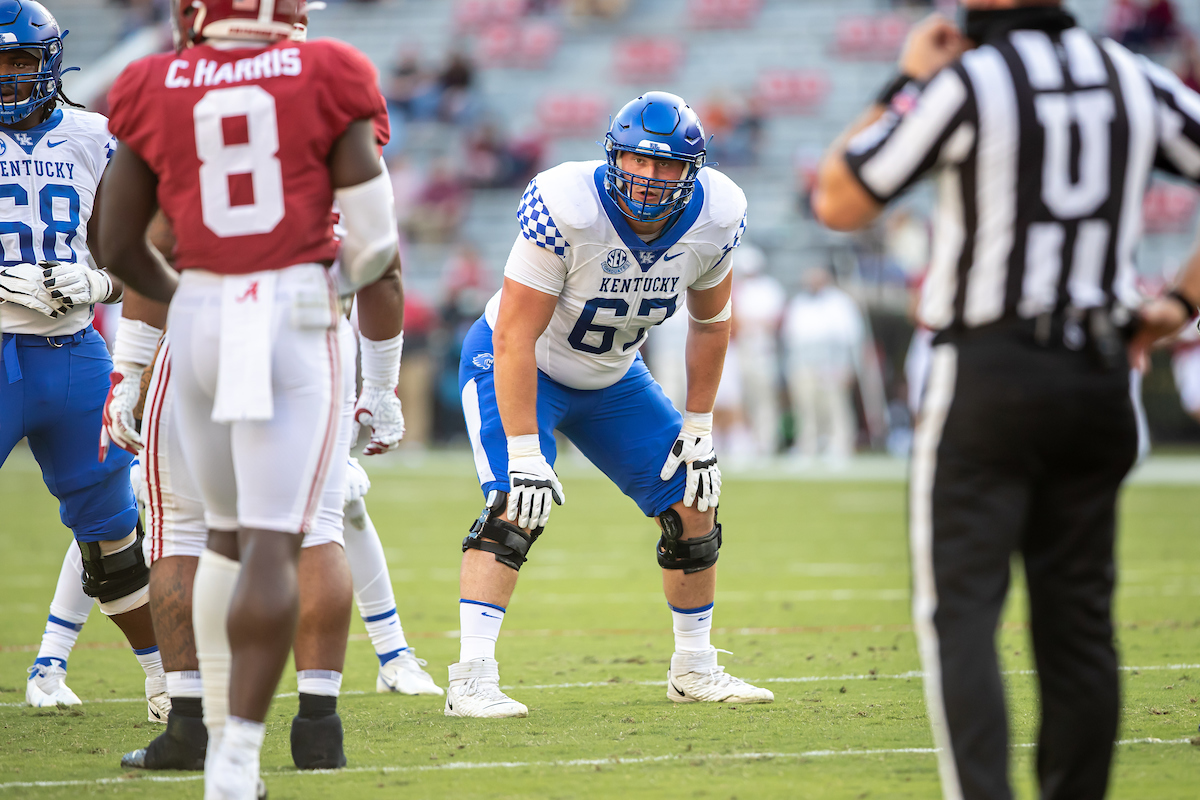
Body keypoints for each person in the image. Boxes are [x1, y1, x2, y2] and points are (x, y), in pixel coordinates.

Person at [813, 3, 1200, 799]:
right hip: (1100, 371)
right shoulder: (1133, 75)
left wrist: (907, 80)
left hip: (990, 373)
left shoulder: (971, 81)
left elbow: (841, 200)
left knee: (961, 615)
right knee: (1078, 624)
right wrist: (1180, 304)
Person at [99, 0, 402, 794]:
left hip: (197, 312)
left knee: (216, 540)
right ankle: (235, 761)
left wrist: (197, 294)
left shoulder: (152, 79)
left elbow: (117, 241)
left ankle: (202, 729)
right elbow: (376, 250)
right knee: (276, 541)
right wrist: (312, 299)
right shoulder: (330, 72)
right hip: (296, 309)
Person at [448, 91, 773, 719]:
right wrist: (524, 452)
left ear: (693, 170)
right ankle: (472, 679)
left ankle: (694, 670)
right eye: (637, 161)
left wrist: (698, 428)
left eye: (668, 166)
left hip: (614, 375)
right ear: (612, 155)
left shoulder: (717, 216)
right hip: (521, 364)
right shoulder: (568, 206)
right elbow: (516, 336)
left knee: (693, 500)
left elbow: (712, 324)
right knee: (517, 503)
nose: (650, 178)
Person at [0, 0, 165, 720]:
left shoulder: (96, 138)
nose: (7, 78)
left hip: (73, 353)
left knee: (112, 533)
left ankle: (163, 679)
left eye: (18, 62)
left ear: (50, 63)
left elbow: (139, 255)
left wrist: (98, 282)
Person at [781, 267, 863, 463]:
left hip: (832, 360)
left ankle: (839, 446)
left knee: (835, 405)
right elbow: (790, 337)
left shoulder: (840, 302)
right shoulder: (799, 303)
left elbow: (852, 337)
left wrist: (848, 365)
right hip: (803, 360)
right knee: (805, 406)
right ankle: (806, 447)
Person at [730, 244, 785, 457]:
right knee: (743, 397)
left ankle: (767, 442)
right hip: (742, 347)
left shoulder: (769, 288)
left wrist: (751, 323)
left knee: (764, 397)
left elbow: (773, 321)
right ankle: (749, 441)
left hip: (763, 349)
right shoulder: (737, 288)